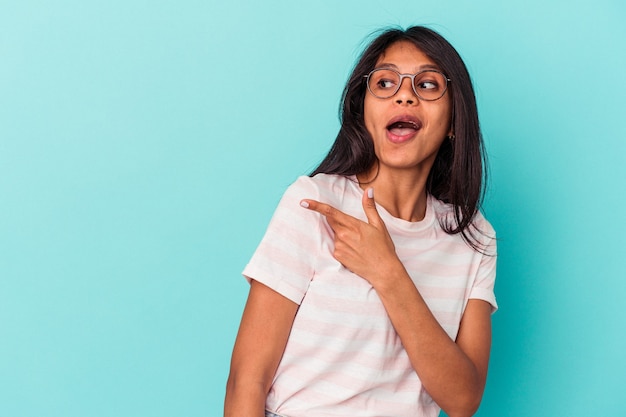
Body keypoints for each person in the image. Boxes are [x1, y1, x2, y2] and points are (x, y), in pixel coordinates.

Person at [224, 25, 497, 417]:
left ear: (455, 120)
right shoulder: (315, 204)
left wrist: (387, 271)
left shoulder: (474, 237)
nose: (404, 93)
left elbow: (463, 400)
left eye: (428, 84)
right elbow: (247, 380)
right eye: (385, 82)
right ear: (363, 112)